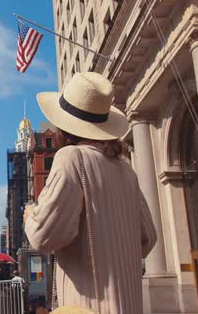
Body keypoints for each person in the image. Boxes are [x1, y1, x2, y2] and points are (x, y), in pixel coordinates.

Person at [23, 72, 158, 313]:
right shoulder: (127, 171)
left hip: (87, 305)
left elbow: (43, 236)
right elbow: (148, 237)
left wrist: (30, 214)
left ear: (64, 126)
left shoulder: (71, 157)